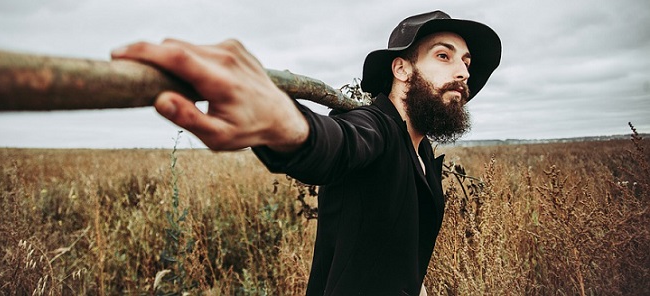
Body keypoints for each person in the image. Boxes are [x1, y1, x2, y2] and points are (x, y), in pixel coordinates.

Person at [111, 10, 501, 296]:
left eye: (466, 62)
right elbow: (337, 141)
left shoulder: (422, 151)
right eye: (444, 56)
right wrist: (279, 120)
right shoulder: (376, 128)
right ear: (401, 69)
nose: (464, 72)